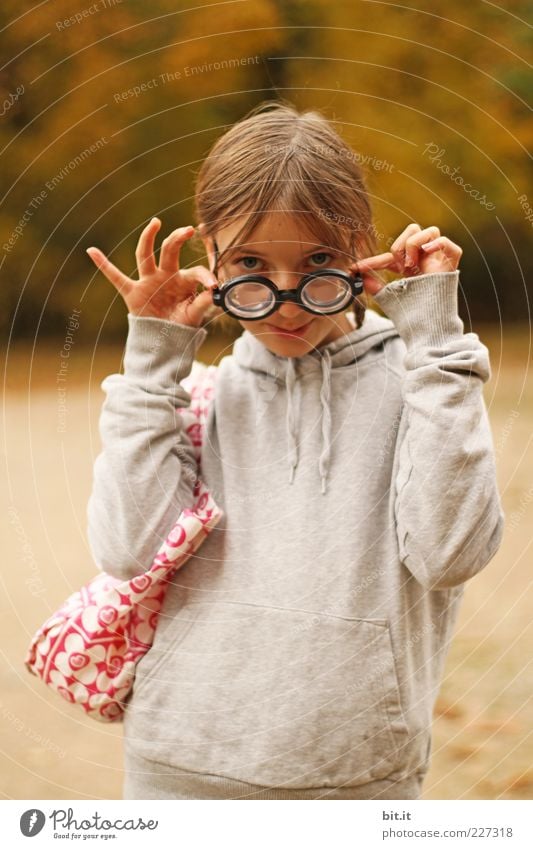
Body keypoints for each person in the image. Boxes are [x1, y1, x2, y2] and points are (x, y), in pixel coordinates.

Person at [85, 101, 504, 800]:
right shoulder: (190, 396)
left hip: (353, 780)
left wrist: (433, 340)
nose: (285, 299)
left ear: (360, 249)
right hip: (175, 769)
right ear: (209, 261)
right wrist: (151, 362)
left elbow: (449, 553)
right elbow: (126, 548)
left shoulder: (423, 381)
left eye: (316, 261)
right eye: (250, 263)